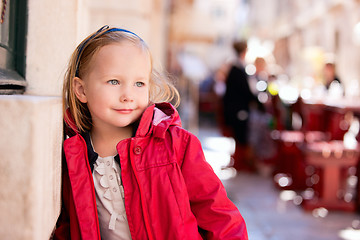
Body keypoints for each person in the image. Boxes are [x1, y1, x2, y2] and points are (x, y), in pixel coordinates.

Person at [53, 25, 248, 240]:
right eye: (114, 81)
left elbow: (220, 217)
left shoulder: (176, 145)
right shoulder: (74, 156)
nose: (128, 95)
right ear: (81, 90)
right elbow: (69, 225)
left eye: (139, 83)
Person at [222, 40, 260, 172]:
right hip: (238, 109)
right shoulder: (237, 68)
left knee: (241, 135)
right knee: (241, 135)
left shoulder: (236, 67)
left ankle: (242, 161)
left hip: (236, 108)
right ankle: (241, 162)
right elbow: (245, 90)